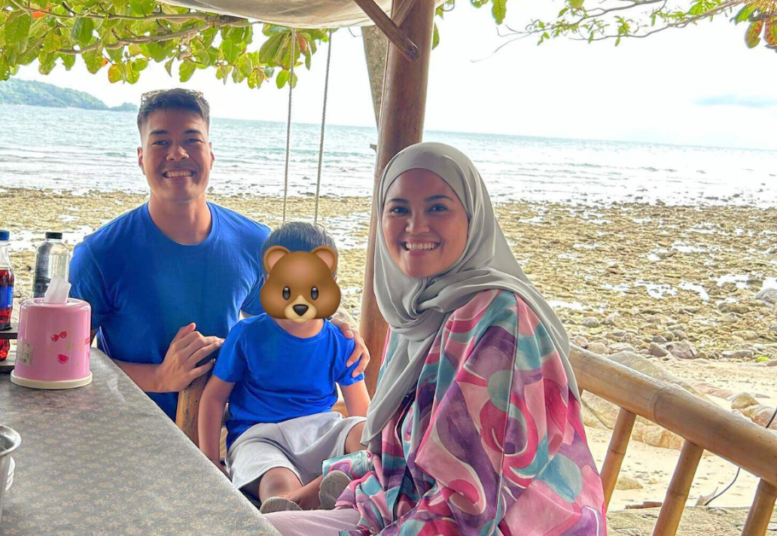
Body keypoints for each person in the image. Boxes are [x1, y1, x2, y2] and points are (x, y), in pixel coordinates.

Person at [266, 142, 606, 535]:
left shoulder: (500, 323)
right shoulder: (420, 312)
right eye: (398, 209)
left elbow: (471, 509)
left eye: (438, 207)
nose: (416, 225)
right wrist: (305, 495)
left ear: (472, 217)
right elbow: (397, 454)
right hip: (411, 507)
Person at [69, 89, 368, 422]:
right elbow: (66, 357)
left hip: (228, 431)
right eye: (161, 142)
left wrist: (333, 326)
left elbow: (279, 322)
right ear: (141, 158)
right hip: (124, 427)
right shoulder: (100, 253)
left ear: (211, 155)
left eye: (192, 140)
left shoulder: (256, 243)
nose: (177, 153)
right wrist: (158, 378)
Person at [198, 222, 371, 514]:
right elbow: (214, 397)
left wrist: (366, 441)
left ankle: (314, 492)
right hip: (260, 436)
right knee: (276, 480)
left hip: (320, 431)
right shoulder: (247, 334)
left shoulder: (341, 341)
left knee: (366, 434)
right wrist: (210, 460)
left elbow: (361, 411)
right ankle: (309, 495)